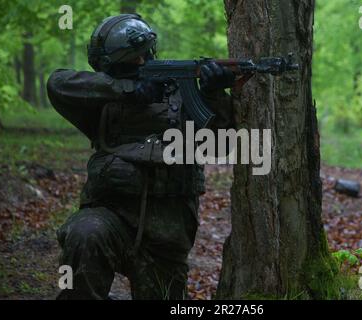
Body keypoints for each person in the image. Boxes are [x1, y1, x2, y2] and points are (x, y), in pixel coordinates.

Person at [47, 13, 234, 300]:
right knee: (85, 234)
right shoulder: (104, 100)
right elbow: (57, 83)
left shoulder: (181, 93)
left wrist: (213, 95)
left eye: (144, 56)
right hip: (111, 218)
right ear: (110, 67)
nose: (142, 63)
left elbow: (220, 147)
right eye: (131, 61)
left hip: (167, 236)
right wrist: (127, 90)